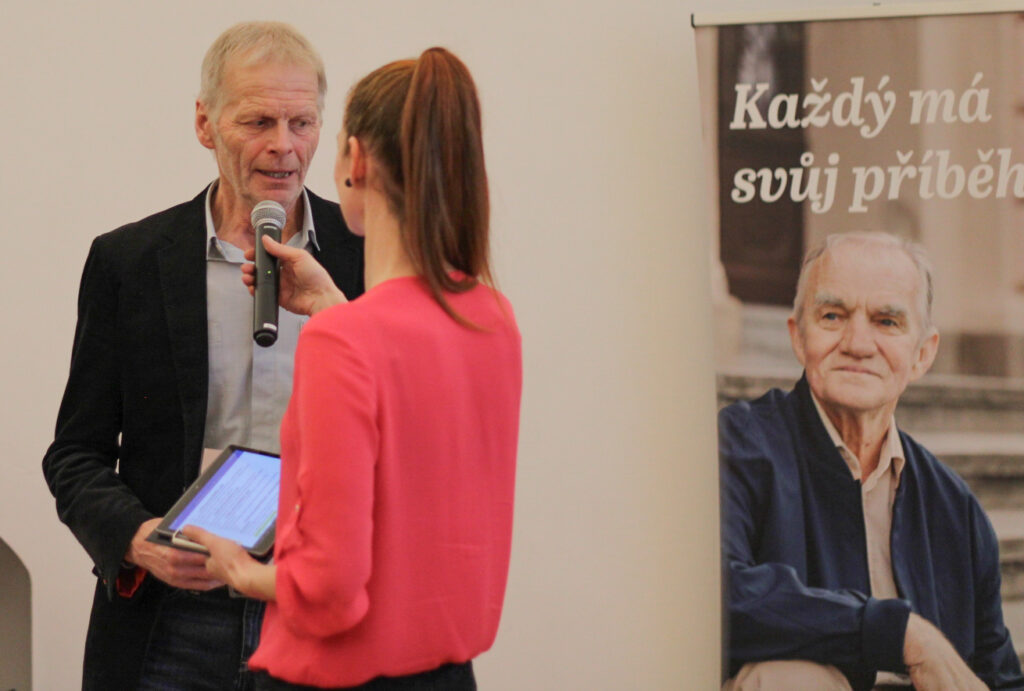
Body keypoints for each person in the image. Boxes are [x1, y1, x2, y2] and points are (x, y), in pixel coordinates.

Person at [184, 47, 522, 690]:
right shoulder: (491, 316)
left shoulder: (346, 341)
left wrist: (238, 568)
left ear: (355, 161)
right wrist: (331, 308)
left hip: (337, 677)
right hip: (447, 673)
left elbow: (327, 591)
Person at [41, 21, 363, 691]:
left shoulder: (369, 255)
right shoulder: (130, 262)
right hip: (173, 624)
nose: (283, 146)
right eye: (258, 121)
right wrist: (137, 538)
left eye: (302, 122)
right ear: (204, 122)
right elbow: (75, 454)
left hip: (319, 612)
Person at [719, 232, 1024, 691]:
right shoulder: (738, 446)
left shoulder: (954, 507)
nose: (858, 343)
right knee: (788, 679)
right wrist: (901, 634)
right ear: (798, 337)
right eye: (833, 316)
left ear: (923, 354)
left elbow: (996, 674)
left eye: (886, 321)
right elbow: (717, 592)